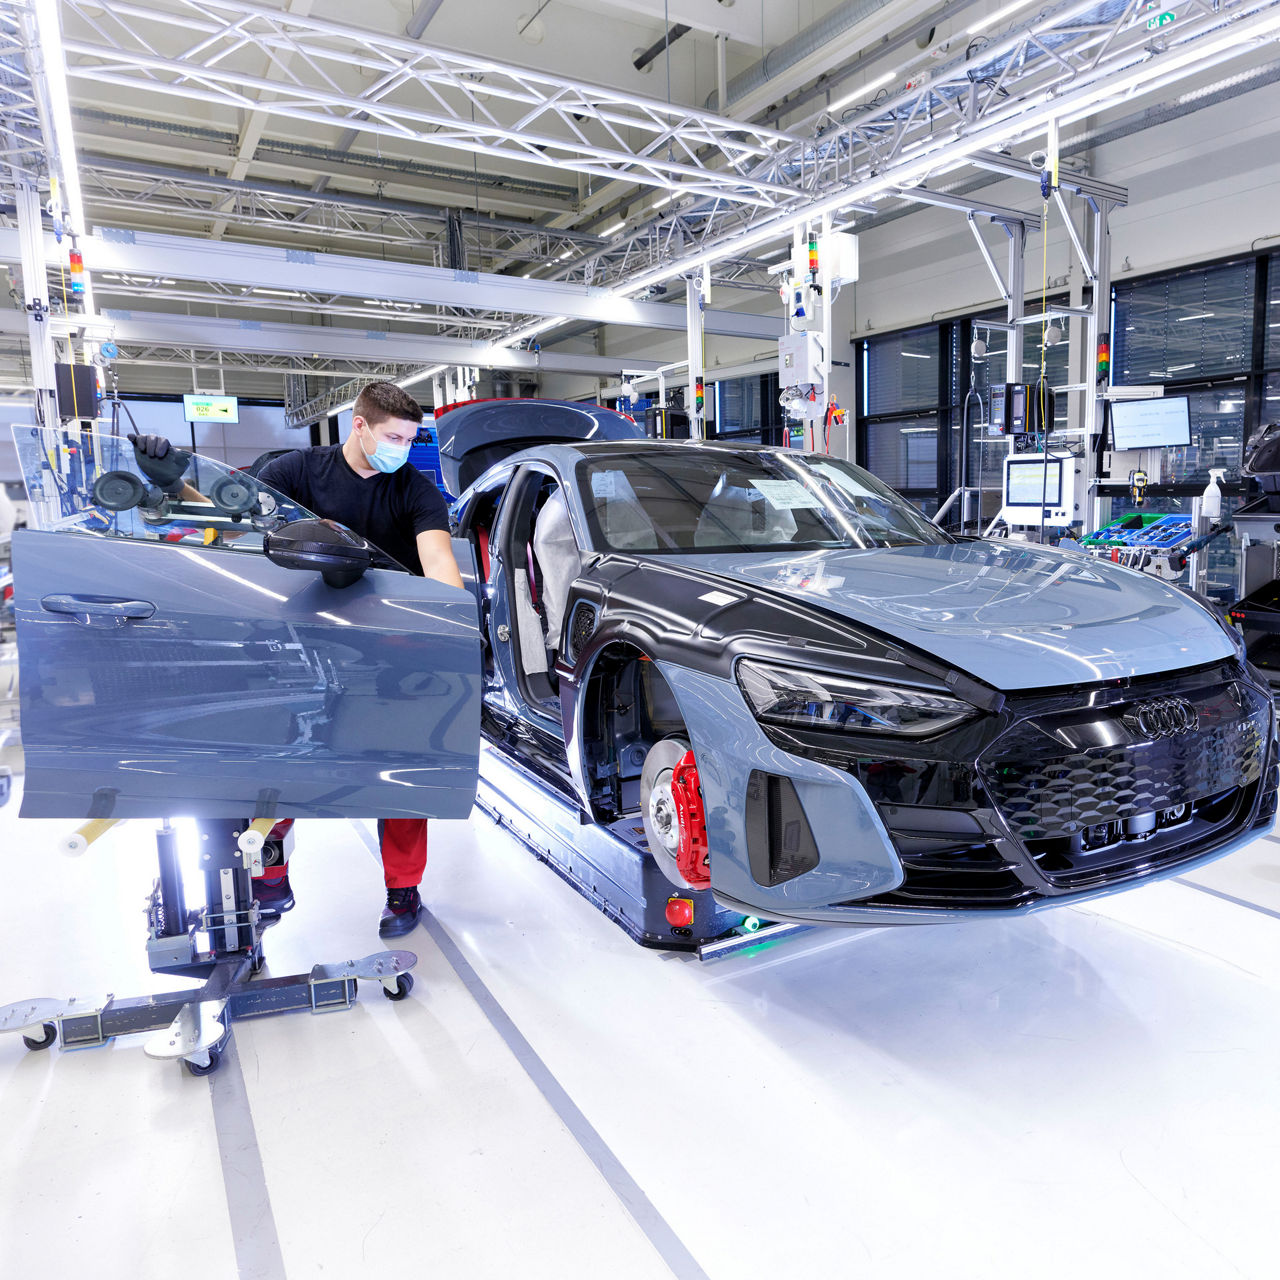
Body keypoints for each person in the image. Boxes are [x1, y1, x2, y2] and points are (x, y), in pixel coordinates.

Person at [131, 381, 462, 937]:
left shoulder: (414, 491)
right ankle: (270, 871)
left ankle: (404, 890)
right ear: (359, 425)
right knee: (285, 767)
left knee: (401, 773)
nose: (402, 448)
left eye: (410, 438)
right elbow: (226, 517)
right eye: (394, 436)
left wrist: (451, 626)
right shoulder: (295, 471)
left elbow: (438, 561)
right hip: (295, 642)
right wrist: (168, 478)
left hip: (383, 649)